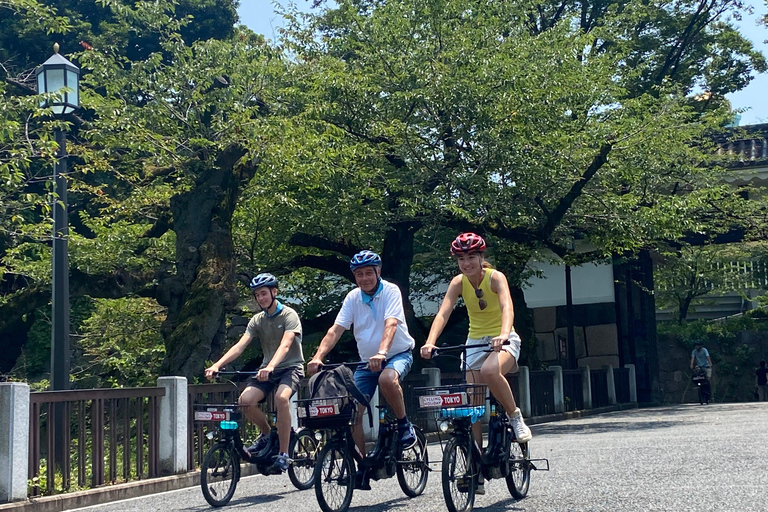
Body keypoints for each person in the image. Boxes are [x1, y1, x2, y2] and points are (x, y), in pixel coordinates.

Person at [420, 232, 532, 449]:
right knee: (473, 404)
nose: (466, 263)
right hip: (474, 341)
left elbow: (506, 306)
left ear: (481, 258)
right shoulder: (458, 283)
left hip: (504, 339)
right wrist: (430, 341)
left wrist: (503, 334)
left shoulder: (495, 277)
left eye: (471, 257)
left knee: (490, 371)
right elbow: (444, 312)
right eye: (461, 259)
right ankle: (475, 461)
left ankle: (515, 416)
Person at [307, 250, 417, 458]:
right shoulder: (353, 297)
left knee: (387, 379)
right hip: (367, 362)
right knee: (351, 410)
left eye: (369, 273)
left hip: (397, 355)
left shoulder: (391, 291)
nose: (364, 278)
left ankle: (404, 424)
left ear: (378, 272)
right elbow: (336, 330)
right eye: (359, 274)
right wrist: (317, 357)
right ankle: (360, 461)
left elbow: (391, 324)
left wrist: (382, 352)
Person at [205, 273, 304, 472]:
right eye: (257, 295)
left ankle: (284, 454)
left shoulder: (289, 315)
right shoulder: (257, 320)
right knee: (245, 401)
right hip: (267, 369)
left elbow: (286, 345)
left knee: (281, 399)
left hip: (290, 367)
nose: (261, 298)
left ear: (274, 292)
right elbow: (240, 346)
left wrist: (271, 367)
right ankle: (268, 436)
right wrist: (217, 365)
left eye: (264, 294)